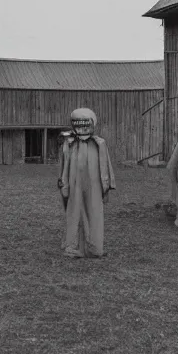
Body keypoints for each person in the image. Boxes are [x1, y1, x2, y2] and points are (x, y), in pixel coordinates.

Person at [58, 108, 115, 258]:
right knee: (75, 212)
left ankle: (94, 247)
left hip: (93, 186)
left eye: (85, 125)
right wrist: (63, 184)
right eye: (79, 125)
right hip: (75, 184)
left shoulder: (99, 144)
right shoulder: (69, 145)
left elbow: (105, 165)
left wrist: (107, 185)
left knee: (93, 212)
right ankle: (73, 246)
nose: (82, 129)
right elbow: (64, 166)